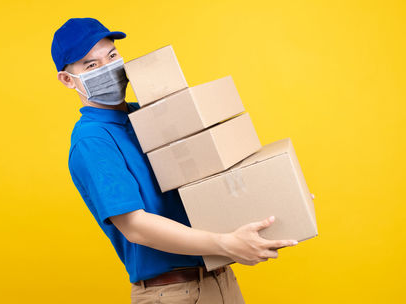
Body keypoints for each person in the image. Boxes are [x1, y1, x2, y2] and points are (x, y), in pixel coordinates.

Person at [52, 17, 303, 304]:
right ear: (68, 79)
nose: (109, 68)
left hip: (220, 281)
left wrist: (278, 196)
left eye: (112, 55)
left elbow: (209, 180)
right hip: (172, 293)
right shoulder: (93, 140)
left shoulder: (148, 117)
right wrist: (226, 243)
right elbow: (135, 226)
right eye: (92, 65)